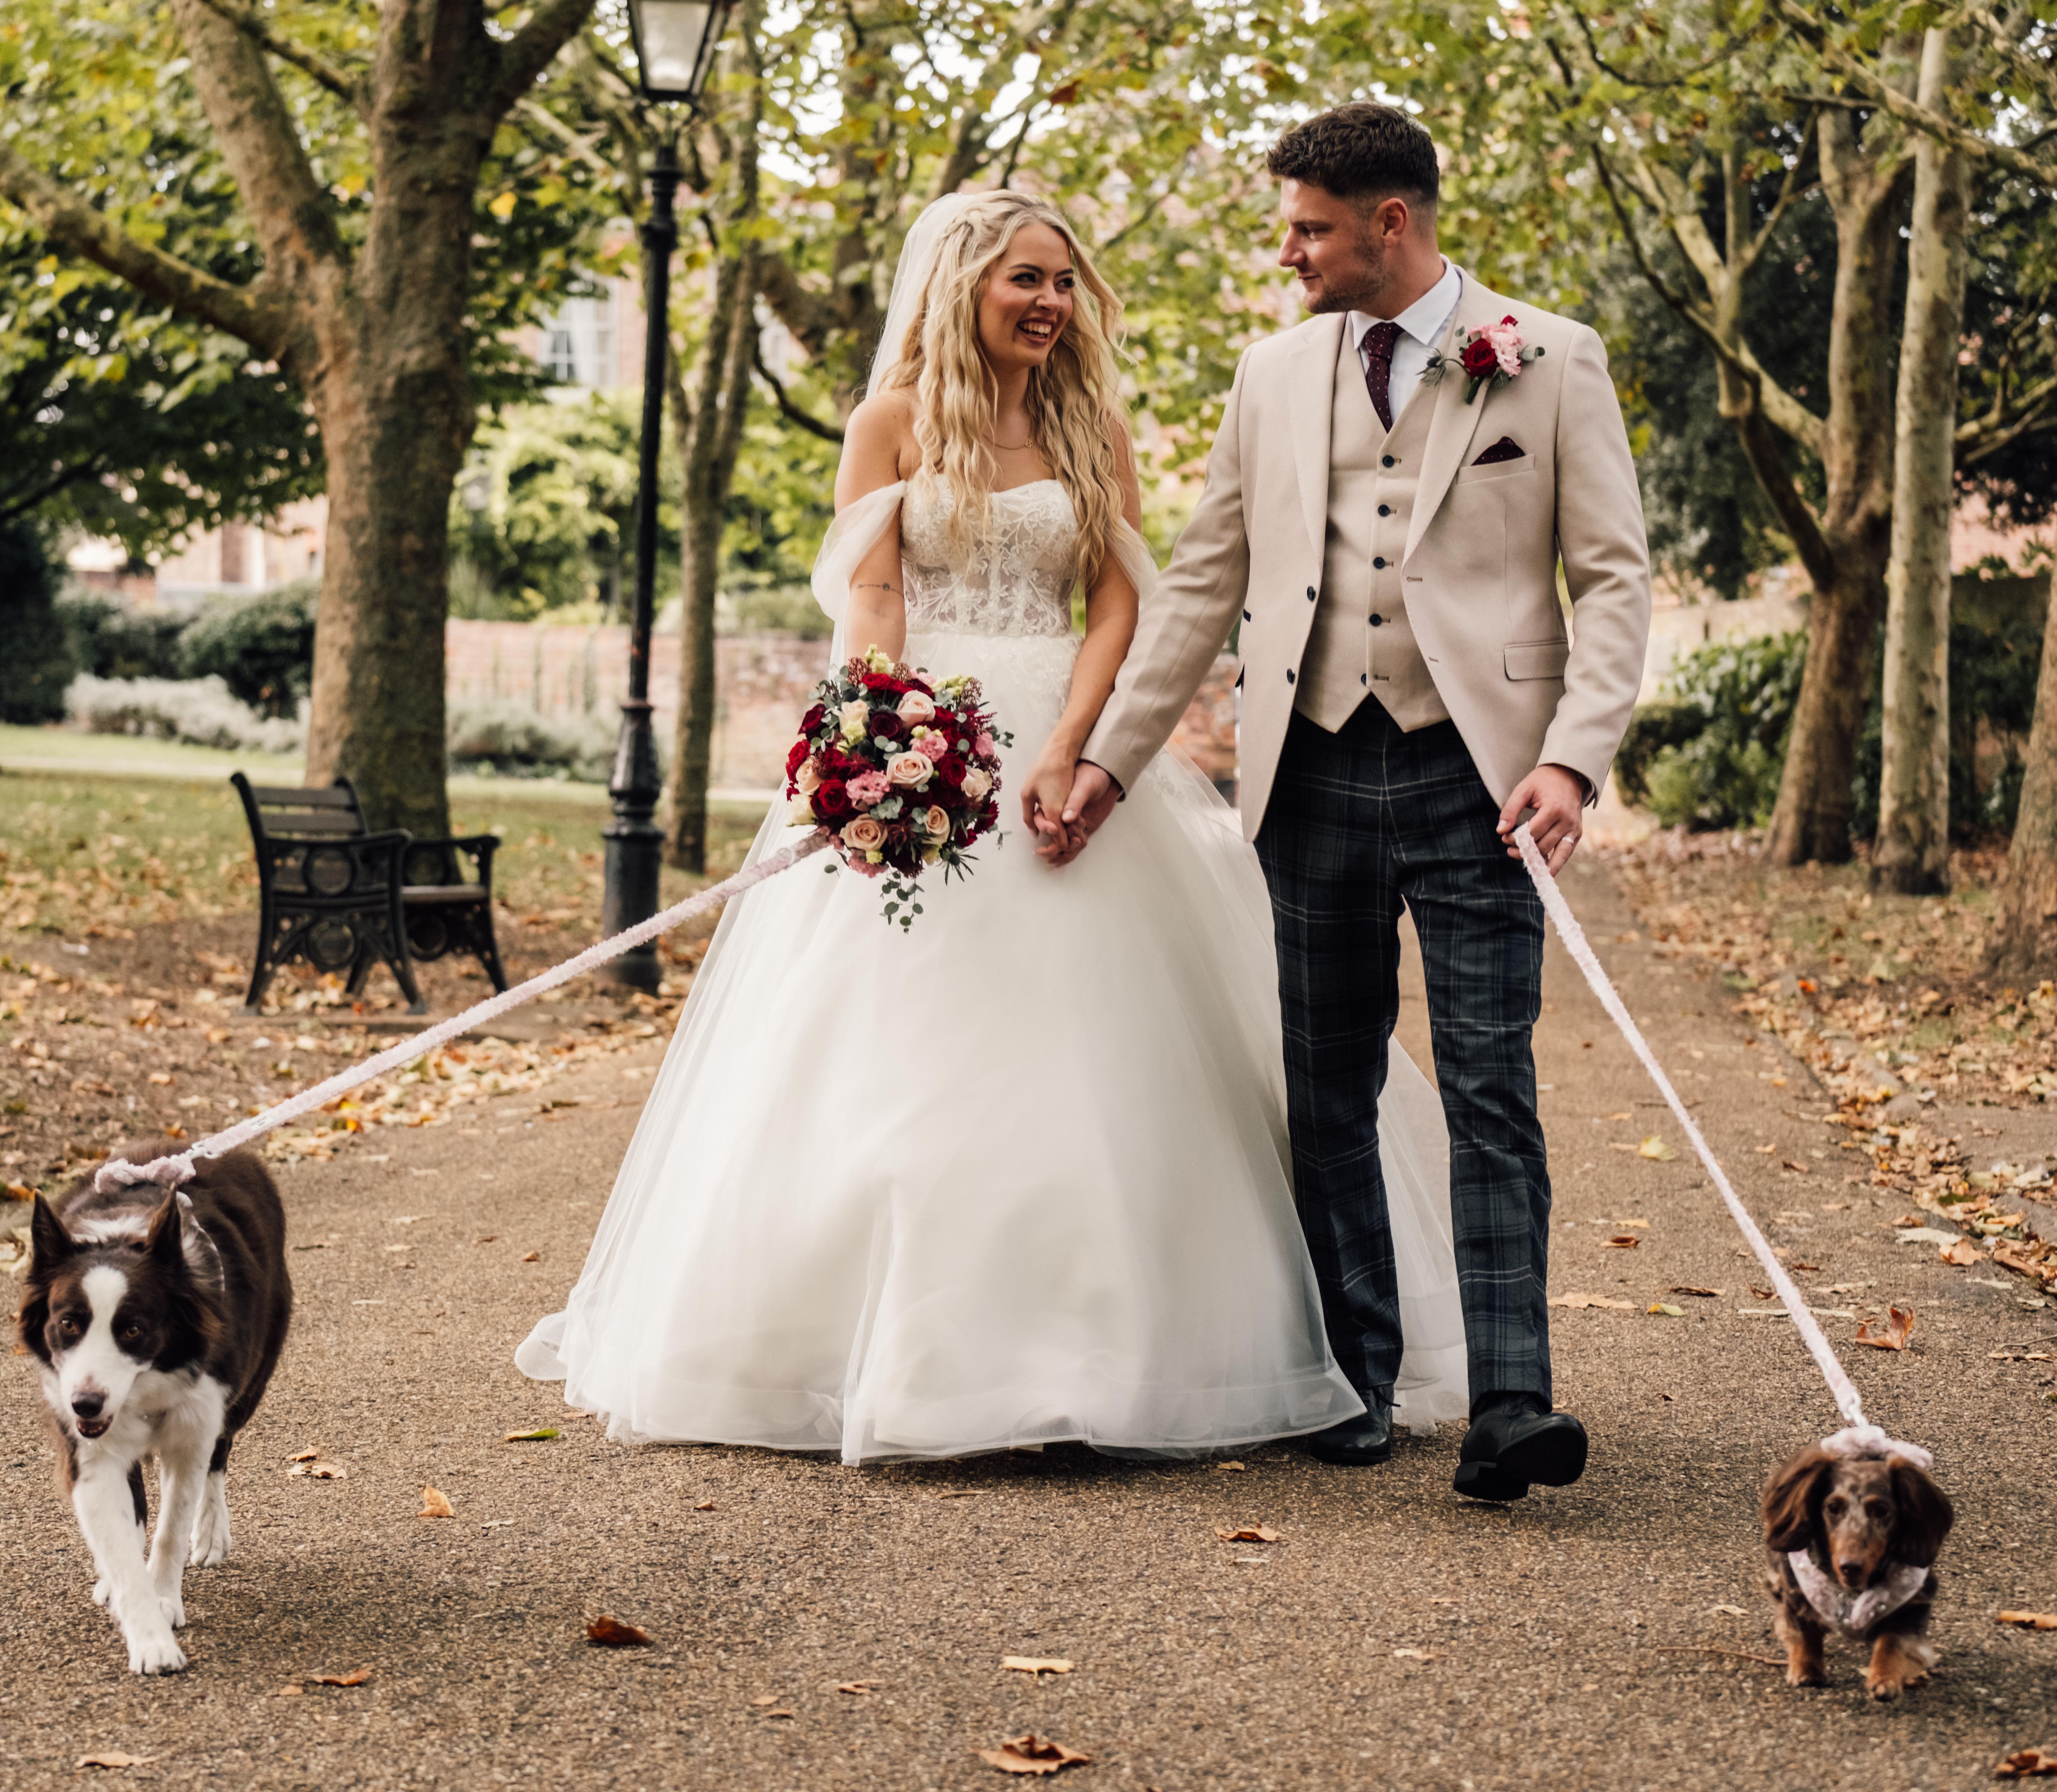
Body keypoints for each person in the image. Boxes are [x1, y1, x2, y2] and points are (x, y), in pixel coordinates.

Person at [515, 189, 1468, 1464]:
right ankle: (880, 1359)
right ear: (963, 285)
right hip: (926, 748)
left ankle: (1114, 1359)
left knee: (1113, 1059)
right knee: (886, 1052)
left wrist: (1076, 746)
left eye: (1065, 284)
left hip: (1066, 747)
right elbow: (873, 593)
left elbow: (1122, 612)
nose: (1050, 304)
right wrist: (880, 743)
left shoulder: (1093, 427)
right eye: (1026, 279)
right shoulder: (890, 423)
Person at [1031, 106, 1653, 1500]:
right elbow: (1200, 582)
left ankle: (1511, 1403)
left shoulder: (1551, 360)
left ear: (1394, 222)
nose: (1290, 249)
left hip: (1482, 775)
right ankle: (1356, 1377)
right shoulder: (1273, 373)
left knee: (1496, 1083)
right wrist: (1106, 763)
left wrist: (1571, 755)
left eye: (1311, 225)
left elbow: (1613, 579)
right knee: (1327, 1087)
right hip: (1307, 768)